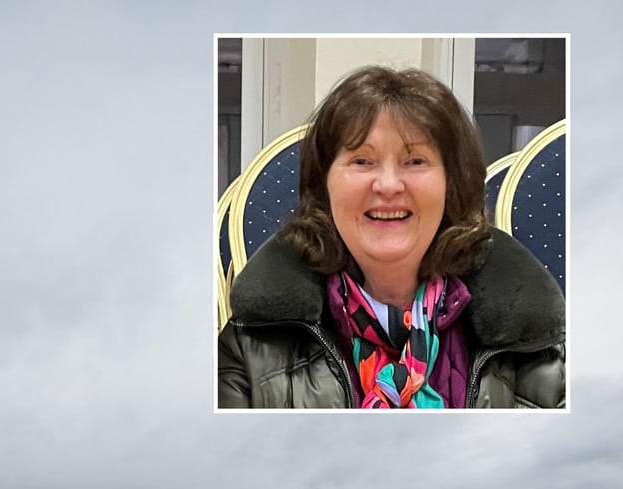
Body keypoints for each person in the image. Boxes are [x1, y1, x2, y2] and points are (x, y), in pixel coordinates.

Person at [217, 65, 564, 409]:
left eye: (414, 161)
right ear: (324, 185)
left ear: (451, 185)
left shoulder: (536, 346)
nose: (387, 185)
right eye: (362, 161)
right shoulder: (248, 342)